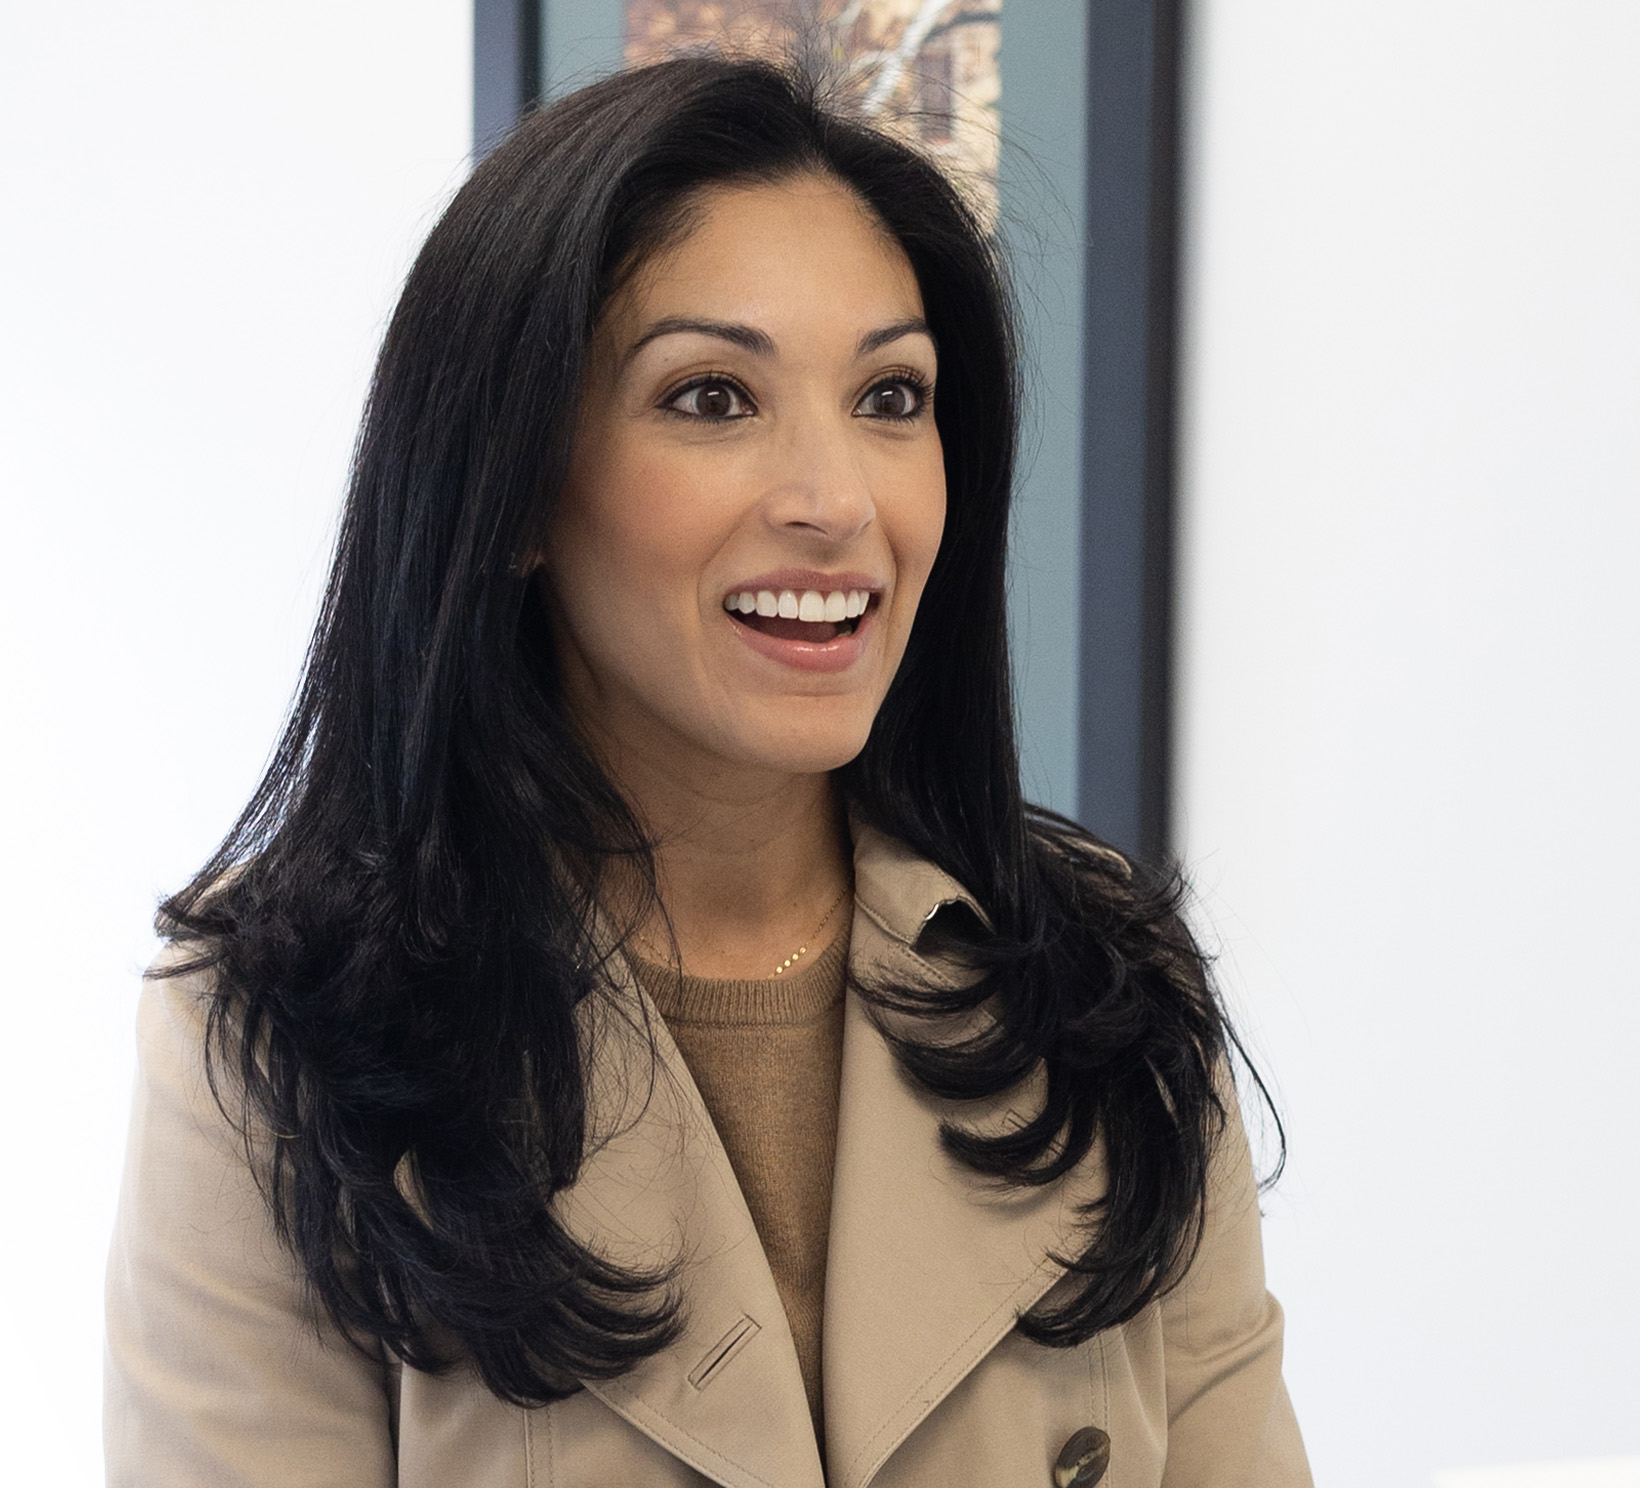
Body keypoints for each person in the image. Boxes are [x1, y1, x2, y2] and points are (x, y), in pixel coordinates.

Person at [104, 54, 1310, 1488]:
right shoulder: (271, 1041)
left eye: (892, 396)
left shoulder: (1106, 989)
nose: (837, 501)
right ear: (512, 494)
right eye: (712, 398)